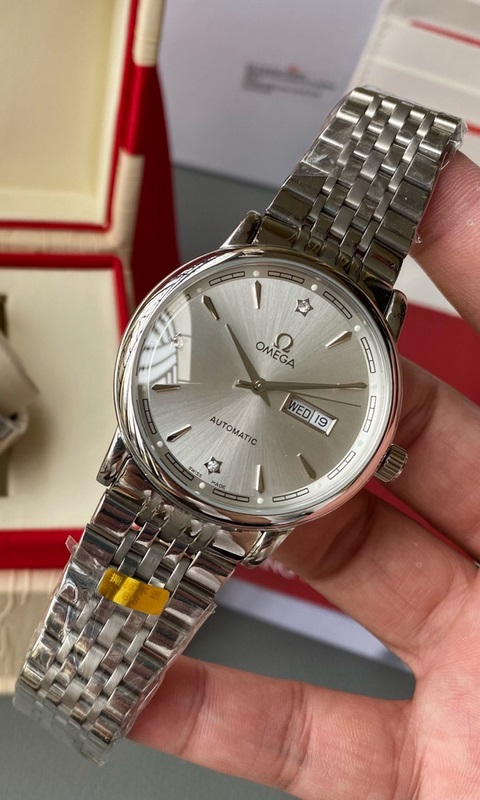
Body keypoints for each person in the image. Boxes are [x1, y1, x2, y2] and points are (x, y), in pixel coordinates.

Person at [129, 151, 480, 800]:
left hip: (220, 476)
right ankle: (83, 682)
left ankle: (89, 685)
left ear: (381, 454)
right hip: (163, 449)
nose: (260, 387)